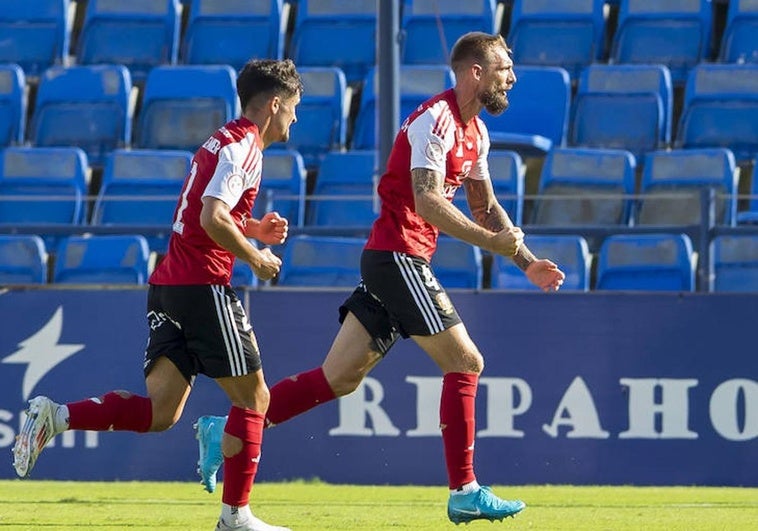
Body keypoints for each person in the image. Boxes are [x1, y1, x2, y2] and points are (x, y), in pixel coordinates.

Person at [195, 32, 566, 525]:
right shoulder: (436, 120)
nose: (512, 77)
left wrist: (525, 258)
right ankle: (465, 489)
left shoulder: (476, 133)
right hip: (398, 258)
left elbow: (485, 206)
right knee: (466, 360)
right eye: (503, 68)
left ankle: (228, 428)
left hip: (398, 259)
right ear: (474, 71)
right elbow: (427, 201)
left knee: (338, 378)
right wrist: (489, 243)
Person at [12, 58, 304, 531]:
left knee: (160, 413)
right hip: (202, 285)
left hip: (169, 285)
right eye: (293, 108)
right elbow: (212, 218)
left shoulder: (222, 140)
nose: (295, 118)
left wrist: (254, 227)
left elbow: (206, 211)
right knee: (255, 401)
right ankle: (236, 516)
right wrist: (255, 255)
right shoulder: (245, 146)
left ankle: (55, 416)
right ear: (275, 105)